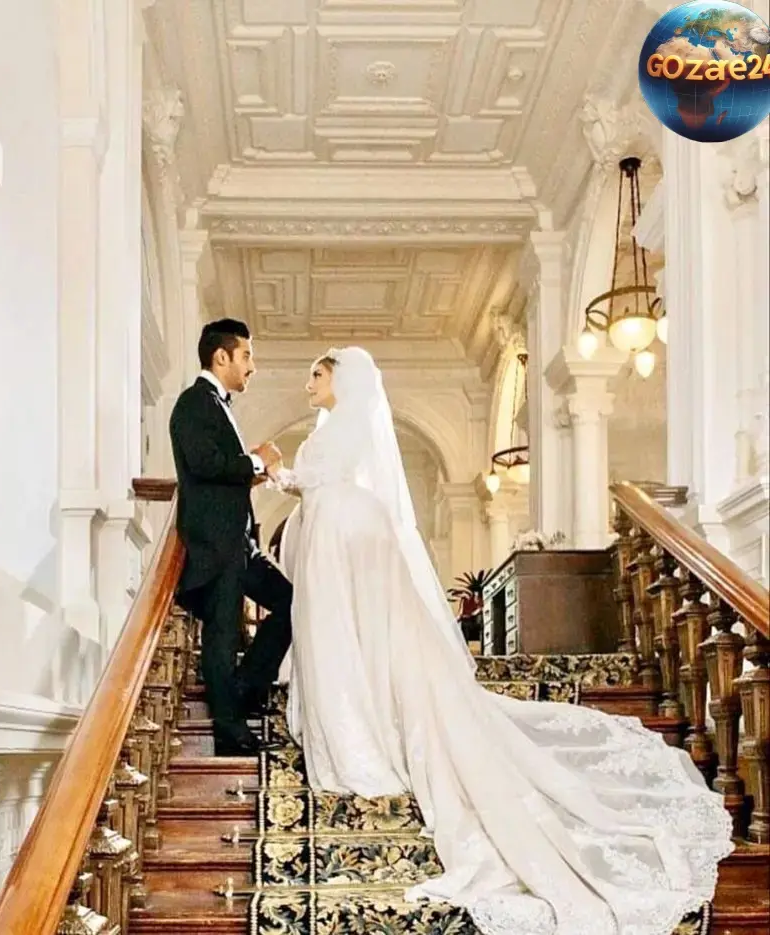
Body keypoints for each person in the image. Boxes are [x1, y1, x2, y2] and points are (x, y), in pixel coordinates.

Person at [266, 346, 734, 935]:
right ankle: (362, 722)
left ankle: (359, 735)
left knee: (345, 630)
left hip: (341, 531)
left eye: (316, 373)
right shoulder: (343, 426)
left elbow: (313, 480)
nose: (308, 383)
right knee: (354, 633)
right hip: (349, 528)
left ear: (341, 377)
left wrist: (273, 468)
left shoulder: (341, 427)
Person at [169, 319, 292, 756]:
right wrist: (255, 461)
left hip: (240, 544)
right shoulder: (193, 402)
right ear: (221, 356)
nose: (251, 366)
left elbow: (219, 471)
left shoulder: (217, 405)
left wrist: (249, 472)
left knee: (290, 602)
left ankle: (244, 690)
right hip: (215, 543)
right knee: (221, 635)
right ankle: (229, 729)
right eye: (246, 356)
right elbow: (204, 463)